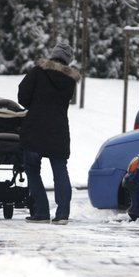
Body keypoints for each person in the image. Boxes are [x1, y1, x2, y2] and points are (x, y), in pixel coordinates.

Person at [17, 42, 81, 224]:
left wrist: (34, 107)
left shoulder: (38, 71)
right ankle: (62, 214)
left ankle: (42, 212)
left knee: (31, 168)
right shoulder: (69, 80)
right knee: (60, 170)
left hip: (35, 128)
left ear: (53, 54)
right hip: (58, 130)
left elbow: (22, 95)